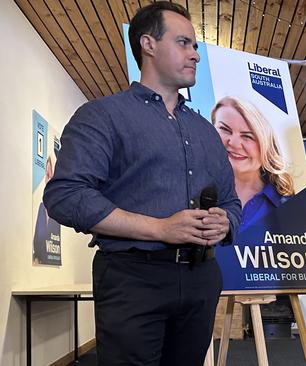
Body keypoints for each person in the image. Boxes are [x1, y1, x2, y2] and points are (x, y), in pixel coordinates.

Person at [43, 2, 241, 365]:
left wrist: (225, 223)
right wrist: (161, 228)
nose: (195, 54)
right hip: (133, 278)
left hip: (201, 278)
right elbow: (65, 195)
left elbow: (232, 203)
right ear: (148, 44)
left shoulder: (207, 133)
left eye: (195, 46)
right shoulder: (101, 116)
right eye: (184, 43)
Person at [211, 96, 294, 232]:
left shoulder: (287, 204)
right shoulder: (192, 193)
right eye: (225, 130)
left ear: (265, 145)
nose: (234, 143)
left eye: (247, 136)